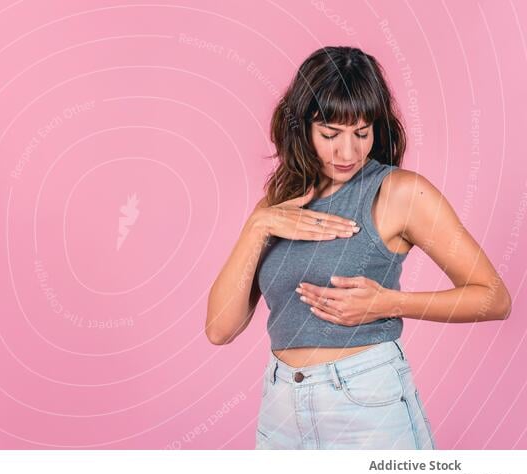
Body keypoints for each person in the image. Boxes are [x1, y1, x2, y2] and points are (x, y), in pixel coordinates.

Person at [204, 46, 512, 449]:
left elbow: (494, 298)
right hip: (280, 408)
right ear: (302, 128)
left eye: (361, 133)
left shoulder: (401, 192)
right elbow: (220, 329)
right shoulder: (278, 204)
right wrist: (257, 225)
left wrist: (388, 303)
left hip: (365, 403)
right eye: (330, 134)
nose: (347, 152)